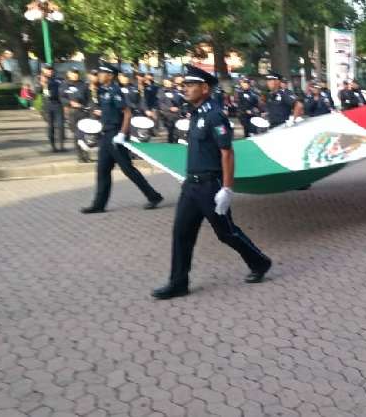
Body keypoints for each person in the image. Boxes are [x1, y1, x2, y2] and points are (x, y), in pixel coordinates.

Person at [151, 65, 272, 299]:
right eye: (184, 85)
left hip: (210, 186)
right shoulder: (196, 112)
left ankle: (259, 262)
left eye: (190, 85)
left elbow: (227, 152)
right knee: (181, 233)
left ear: (205, 88)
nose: (185, 89)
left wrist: (227, 188)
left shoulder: (215, 115)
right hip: (191, 186)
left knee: (226, 232)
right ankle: (178, 282)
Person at [80, 62, 164, 214]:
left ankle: (153, 196)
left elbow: (127, 113)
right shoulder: (103, 90)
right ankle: (99, 204)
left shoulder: (115, 91)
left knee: (128, 170)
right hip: (106, 135)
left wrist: (122, 134)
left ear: (110, 76)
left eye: (102, 73)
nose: (99, 75)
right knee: (102, 170)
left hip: (115, 134)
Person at [59, 68, 89, 154]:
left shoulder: (83, 85)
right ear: (68, 74)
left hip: (83, 112)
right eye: (73, 73)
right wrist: (70, 102)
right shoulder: (64, 85)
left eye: (76, 73)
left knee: (84, 133)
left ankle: (85, 154)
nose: (75, 75)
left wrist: (87, 107)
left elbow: (88, 98)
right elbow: (61, 98)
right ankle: (80, 154)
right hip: (72, 112)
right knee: (76, 134)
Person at [40, 64, 65, 152]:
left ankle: (62, 146)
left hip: (58, 104)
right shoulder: (41, 80)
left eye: (51, 69)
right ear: (44, 71)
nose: (49, 71)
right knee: (51, 127)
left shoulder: (58, 79)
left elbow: (64, 88)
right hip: (48, 105)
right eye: (47, 70)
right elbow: (36, 92)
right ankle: (53, 146)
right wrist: (42, 84)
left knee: (61, 125)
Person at [158, 78, 183, 143]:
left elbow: (180, 101)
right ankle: (170, 142)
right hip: (167, 114)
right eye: (166, 83)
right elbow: (160, 103)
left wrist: (178, 108)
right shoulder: (161, 91)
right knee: (171, 131)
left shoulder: (176, 91)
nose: (168, 84)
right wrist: (169, 108)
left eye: (169, 82)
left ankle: (177, 141)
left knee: (178, 130)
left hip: (177, 113)